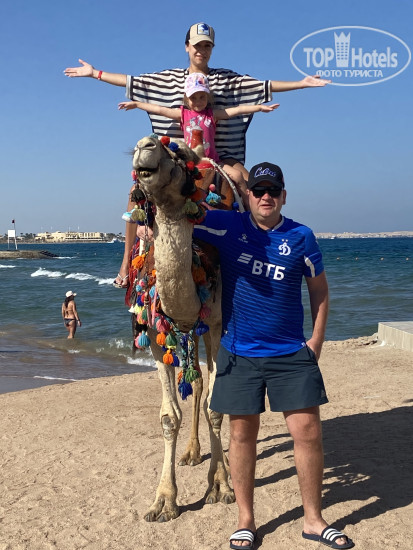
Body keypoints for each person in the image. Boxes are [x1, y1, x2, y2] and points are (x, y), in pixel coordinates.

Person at [64, 22, 331, 288]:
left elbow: (263, 87)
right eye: (196, 45)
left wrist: (301, 84)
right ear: (187, 47)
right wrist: (95, 73)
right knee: (137, 190)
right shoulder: (169, 80)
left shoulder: (226, 79)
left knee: (249, 184)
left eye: (207, 45)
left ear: (212, 48)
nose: (201, 50)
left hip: (222, 154)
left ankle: (259, 247)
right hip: (178, 156)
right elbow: (133, 82)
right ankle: (125, 263)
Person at [192, 163, 354, 550]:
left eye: (274, 191)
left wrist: (316, 340)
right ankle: (245, 521)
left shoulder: (301, 236)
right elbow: (180, 217)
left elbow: (319, 290)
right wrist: (144, 224)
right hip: (238, 353)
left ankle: (313, 520)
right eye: (259, 190)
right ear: (247, 195)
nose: (266, 196)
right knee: (241, 436)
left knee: (308, 434)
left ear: (284, 196)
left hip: (290, 353)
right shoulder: (227, 226)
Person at [118, 72, 279, 193]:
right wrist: (137, 104)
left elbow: (237, 110)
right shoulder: (183, 114)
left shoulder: (213, 114)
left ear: (208, 97)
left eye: (202, 97)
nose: (198, 101)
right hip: (190, 162)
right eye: (193, 97)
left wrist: (259, 108)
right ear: (187, 99)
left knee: (237, 176)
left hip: (212, 161)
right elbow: (160, 109)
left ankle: (248, 211)